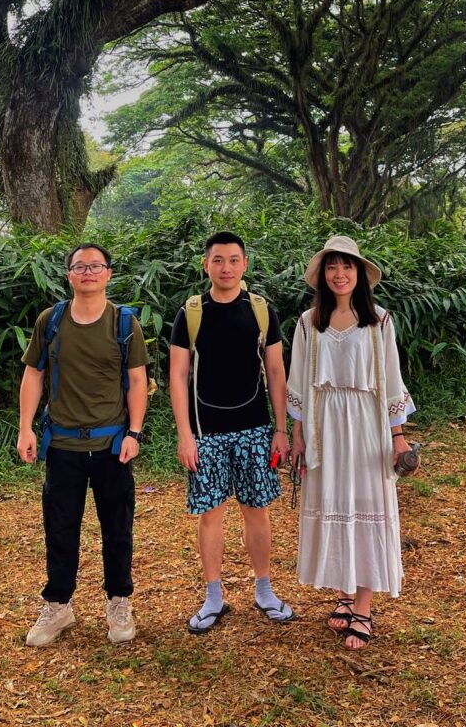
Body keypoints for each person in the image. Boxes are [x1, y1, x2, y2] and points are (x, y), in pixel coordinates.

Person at [288, 235, 418, 649]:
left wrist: (398, 439)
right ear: (322, 275)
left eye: (346, 266)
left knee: (365, 505)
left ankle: (363, 606)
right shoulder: (309, 322)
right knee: (334, 502)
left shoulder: (379, 321)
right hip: (324, 427)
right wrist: (297, 436)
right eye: (332, 266)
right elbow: (298, 383)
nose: (339, 274)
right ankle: (344, 594)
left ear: (359, 273)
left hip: (367, 428)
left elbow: (392, 380)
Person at [17, 243, 149, 647]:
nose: (88, 272)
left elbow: (138, 380)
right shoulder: (51, 321)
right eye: (80, 266)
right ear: (69, 275)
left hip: (112, 444)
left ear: (108, 273)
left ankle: (119, 600)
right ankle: (58, 604)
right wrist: (25, 428)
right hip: (63, 444)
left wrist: (134, 433)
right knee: (59, 528)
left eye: (95, 266)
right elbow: (34, 374)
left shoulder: (123, 323)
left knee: (117, 527)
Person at [169, 230, 294, 633]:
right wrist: (185, 435)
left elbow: (276, 371)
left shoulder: (260, 310)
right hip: (206, 432)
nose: (226, 267)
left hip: (254, 429)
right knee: (211, 516)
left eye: (234, 260)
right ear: (205, 264)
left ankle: (264, 590)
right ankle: (213, 597)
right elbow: (178, 376)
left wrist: (281, 429)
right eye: (218, 260)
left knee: (257, 512)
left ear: (245, 264)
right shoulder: (190, 312)